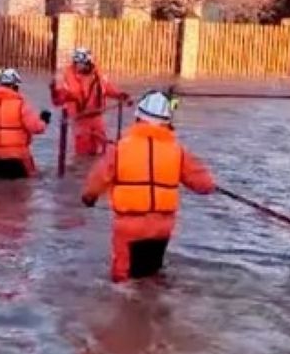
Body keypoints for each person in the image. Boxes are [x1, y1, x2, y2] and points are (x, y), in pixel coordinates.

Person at [81, 91, 215, 283]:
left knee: (123, 282)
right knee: (152, 276)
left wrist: (89, 197)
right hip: (162, 228)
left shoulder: (119, 149)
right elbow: (205, 185)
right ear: (167, 122)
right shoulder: (178, 151)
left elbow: (97, 181)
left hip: (129, 228)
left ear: (138, 117)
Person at [50, 48, 130, 156]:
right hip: (81, 119)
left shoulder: (97, 74)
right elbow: (59, 99)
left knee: (104, 149)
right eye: (76, 63)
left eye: (81, 63)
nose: (78, 66)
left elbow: (107, 88)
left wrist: (120, 95)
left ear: (88, 63)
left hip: (97, 117)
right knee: (83, 152)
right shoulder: (68, 78)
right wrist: (54, 92)